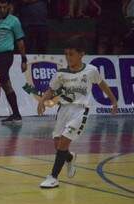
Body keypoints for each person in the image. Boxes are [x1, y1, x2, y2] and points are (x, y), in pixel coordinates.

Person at [37, 36, 118, 188]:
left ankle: (53, 177)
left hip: (80, 111)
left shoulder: (91, 70)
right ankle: (69, 158)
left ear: (82, 54)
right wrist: (42, 101)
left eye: (71, 54)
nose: (68, 58)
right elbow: (51, 90)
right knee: (58, 145)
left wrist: (113, 101)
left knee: (63, 144)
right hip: (63, 110)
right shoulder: (61, 73)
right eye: (66, 54)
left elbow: (103, 85)